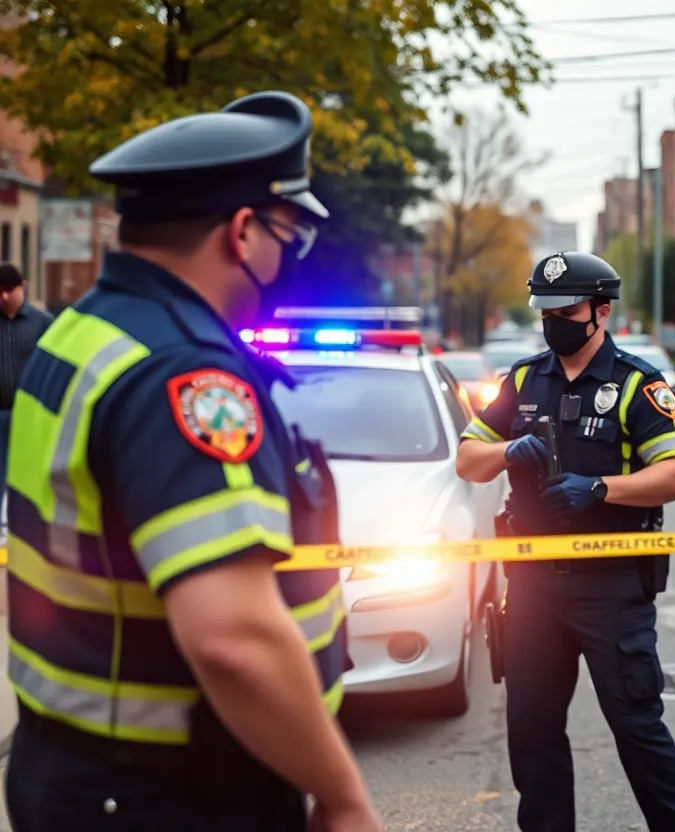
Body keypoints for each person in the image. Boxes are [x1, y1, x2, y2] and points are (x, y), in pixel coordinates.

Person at [3, 92, 381, 832]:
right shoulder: (185, 377)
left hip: (73, 771)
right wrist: (344, 798)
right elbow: (231, 638)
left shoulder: (80, 331)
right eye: (288, 236)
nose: (288, 258)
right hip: (172, 794)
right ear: (244, 232)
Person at [455, 251, 675, 832]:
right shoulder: (522, 379)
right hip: (534, 586)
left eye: (566, 310)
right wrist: (504, 451)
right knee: (532, 728)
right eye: (545, 309)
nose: (553, 320)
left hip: (611, 585)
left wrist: (601, 488)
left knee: (637, 726)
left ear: (600, 312)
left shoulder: (638, 384)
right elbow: (469, 460)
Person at [0, 263, 52, 497]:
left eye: (9, 290)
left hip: (30, 413)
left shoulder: (44, 324)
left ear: (23, 287)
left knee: (29, 475)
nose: (3, 296)